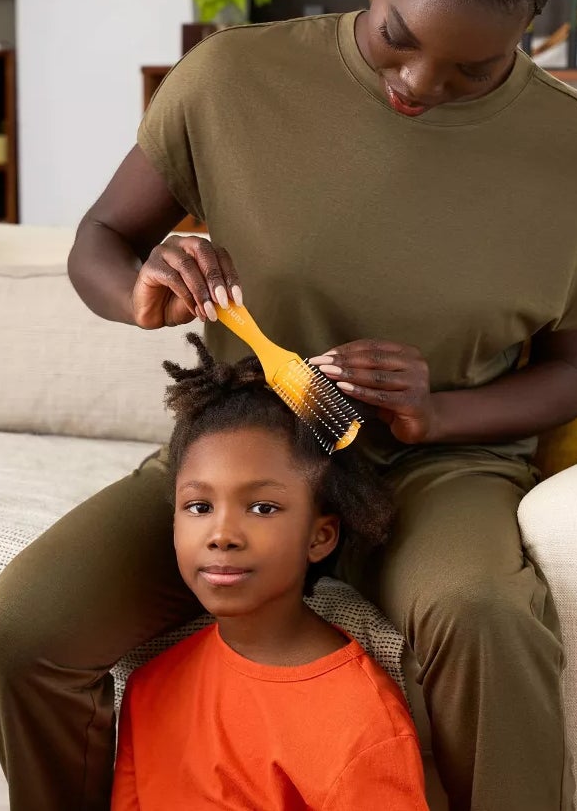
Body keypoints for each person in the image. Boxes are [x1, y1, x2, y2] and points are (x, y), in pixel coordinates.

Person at [0, 0, 577, 809]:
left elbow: (571, 374)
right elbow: (100, 239)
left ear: (529, 17)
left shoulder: (571, 150)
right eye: (398, 38)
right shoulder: (229, 80)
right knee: (28, 622)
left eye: (471, 68)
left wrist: (439, 411)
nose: (418, 84)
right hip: (245, 447)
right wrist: (137, 286)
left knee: (484, 613)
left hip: (439, 469)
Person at [110, 333, 427, 810]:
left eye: (262, 507)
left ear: (320, 537)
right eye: (198, 506)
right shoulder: (149, 687)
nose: (222, 534)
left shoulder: (362, 727)